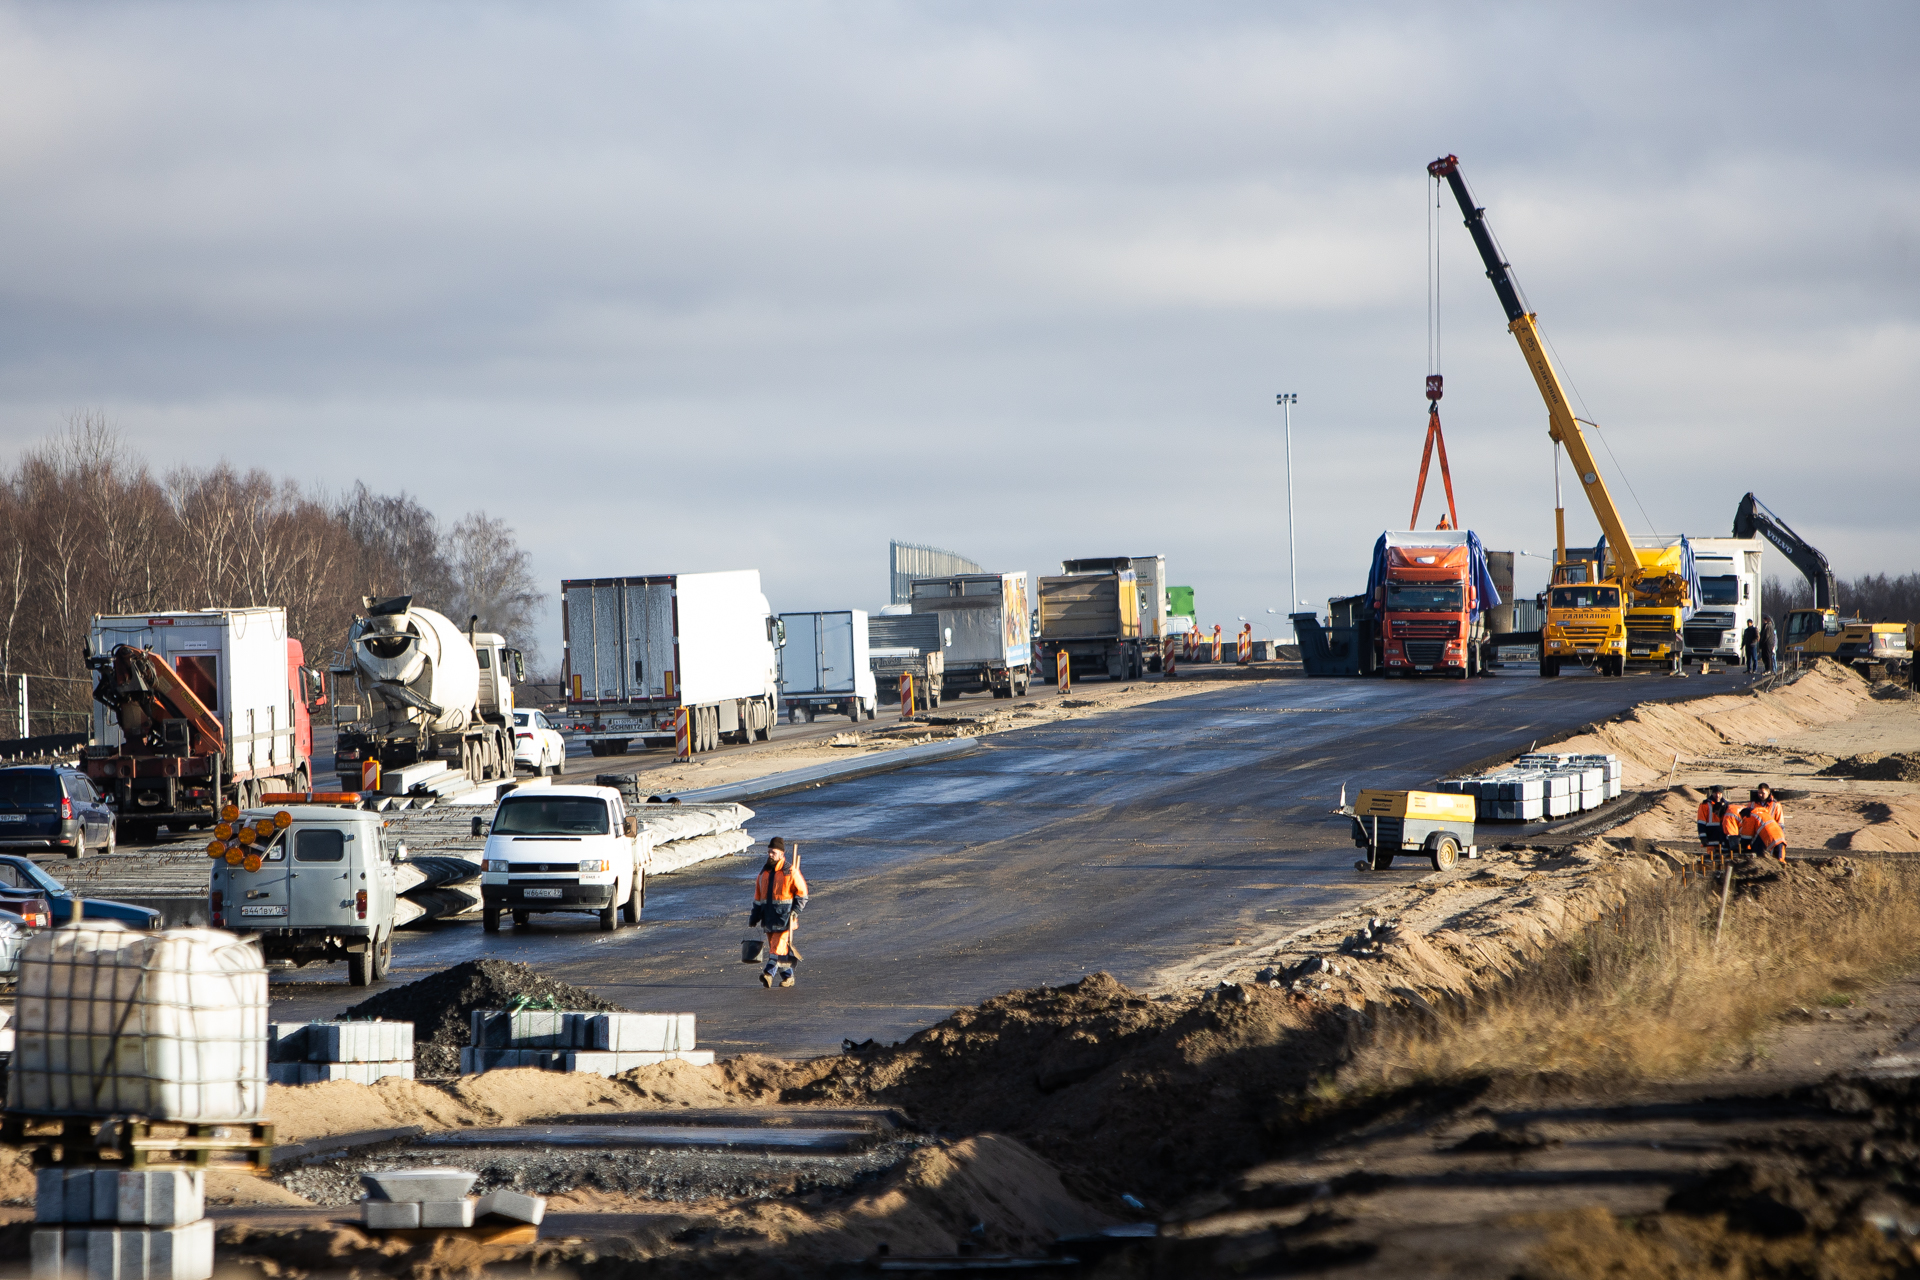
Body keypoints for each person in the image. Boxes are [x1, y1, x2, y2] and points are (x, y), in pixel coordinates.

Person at [749, 837, 809, 989]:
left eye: (773, 852)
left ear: (782, 854)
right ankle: (788, 977)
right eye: (769, 852)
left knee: (776, 948)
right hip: (768, 918)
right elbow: (758, 896)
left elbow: (802, 894)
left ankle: (768, 974)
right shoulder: (763, 873)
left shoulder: (790, 871)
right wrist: (755, 915)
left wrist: (795, 911)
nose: (770, 855)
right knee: (779, 950)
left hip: (785, 919)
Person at [1695, 786, 1734, 852]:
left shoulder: (1727, 805)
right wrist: (1703, 837)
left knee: (1724, 858)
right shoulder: (1704, 805)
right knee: (1711, 858)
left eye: (1719, 793)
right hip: (1711, 838)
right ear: (1712, 793)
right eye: (1715, 793)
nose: (1717, 795)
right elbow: (1701, 823)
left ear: (1722, 794)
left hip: (1723, 838)